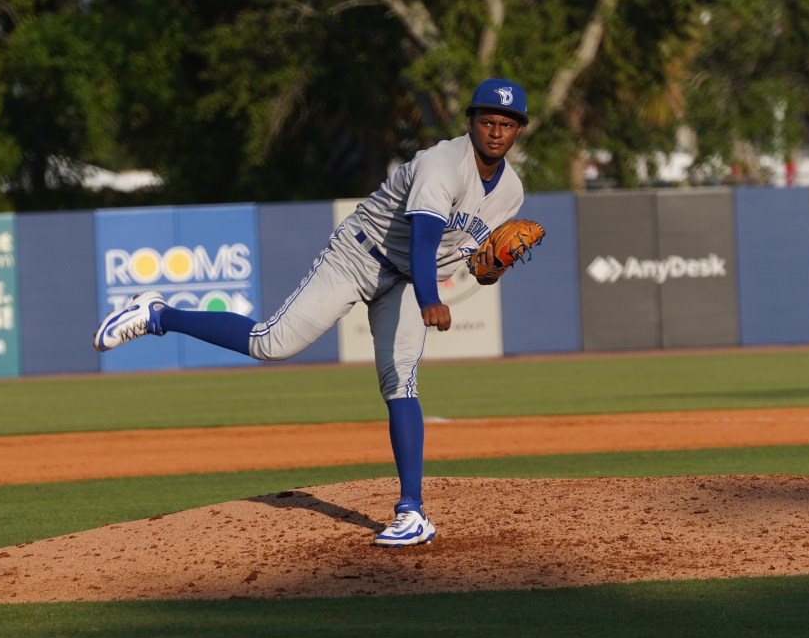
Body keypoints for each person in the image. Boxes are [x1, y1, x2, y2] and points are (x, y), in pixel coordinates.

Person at [93, 78, 530, 547]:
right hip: (359, 256)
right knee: (271, 343)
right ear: (470, 121)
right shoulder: (442, 164)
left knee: (401, 381)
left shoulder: (511, 194)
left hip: (404, 282)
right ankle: (158, 315)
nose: (496, 131)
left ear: (519, 130)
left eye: (506, 124)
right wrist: (430, 299)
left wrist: (488, 272)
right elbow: (424, 242)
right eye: (488, 121)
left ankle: (411, 511)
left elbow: (470, 258)